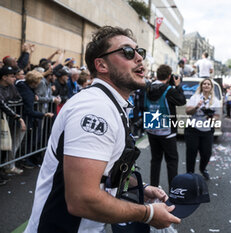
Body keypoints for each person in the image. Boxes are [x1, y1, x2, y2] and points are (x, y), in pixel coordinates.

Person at [24, 25, 180, 233]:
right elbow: (82, 199)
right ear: (102, 65)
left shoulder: (109, 104)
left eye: (139, 52)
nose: (139, 58)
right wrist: (147, 214)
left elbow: (105, 172)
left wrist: (138, 188)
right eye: (127, 52)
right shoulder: (95, 107)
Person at [144, 64, 186, 189]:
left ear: (157, 75)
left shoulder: (148, 88)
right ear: (169, 76)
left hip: (152, 128)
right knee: (172, 161)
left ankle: (153, 189)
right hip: (167, 130)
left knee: (155, 160)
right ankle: (173, 191)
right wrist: (178, 86)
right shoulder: (169, 90)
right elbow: (181, 101)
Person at [185, 78, 220, 180]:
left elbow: (217, 115)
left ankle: (203, 168)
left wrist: (211, 117)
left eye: (208, 84)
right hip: (193, 129)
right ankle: (190, 174)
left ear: (211, 87)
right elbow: (187, 111)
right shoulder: (195, 97)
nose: (206, 85)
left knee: (206, 153)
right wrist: (196, 107)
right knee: (191, 153)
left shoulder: (215, 101)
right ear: (201, 86)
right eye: (204, 84)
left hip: (207, 131)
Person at [0, 66, 27, 176]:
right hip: (4, 119)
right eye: (12, 76)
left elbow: (19, 99)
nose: (14, 79)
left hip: (8, 121)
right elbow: (2, 104)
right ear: (4, 77)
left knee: (5, 147)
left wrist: (8, 103)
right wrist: (17, 116)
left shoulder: (12, 87)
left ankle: (3, 169)